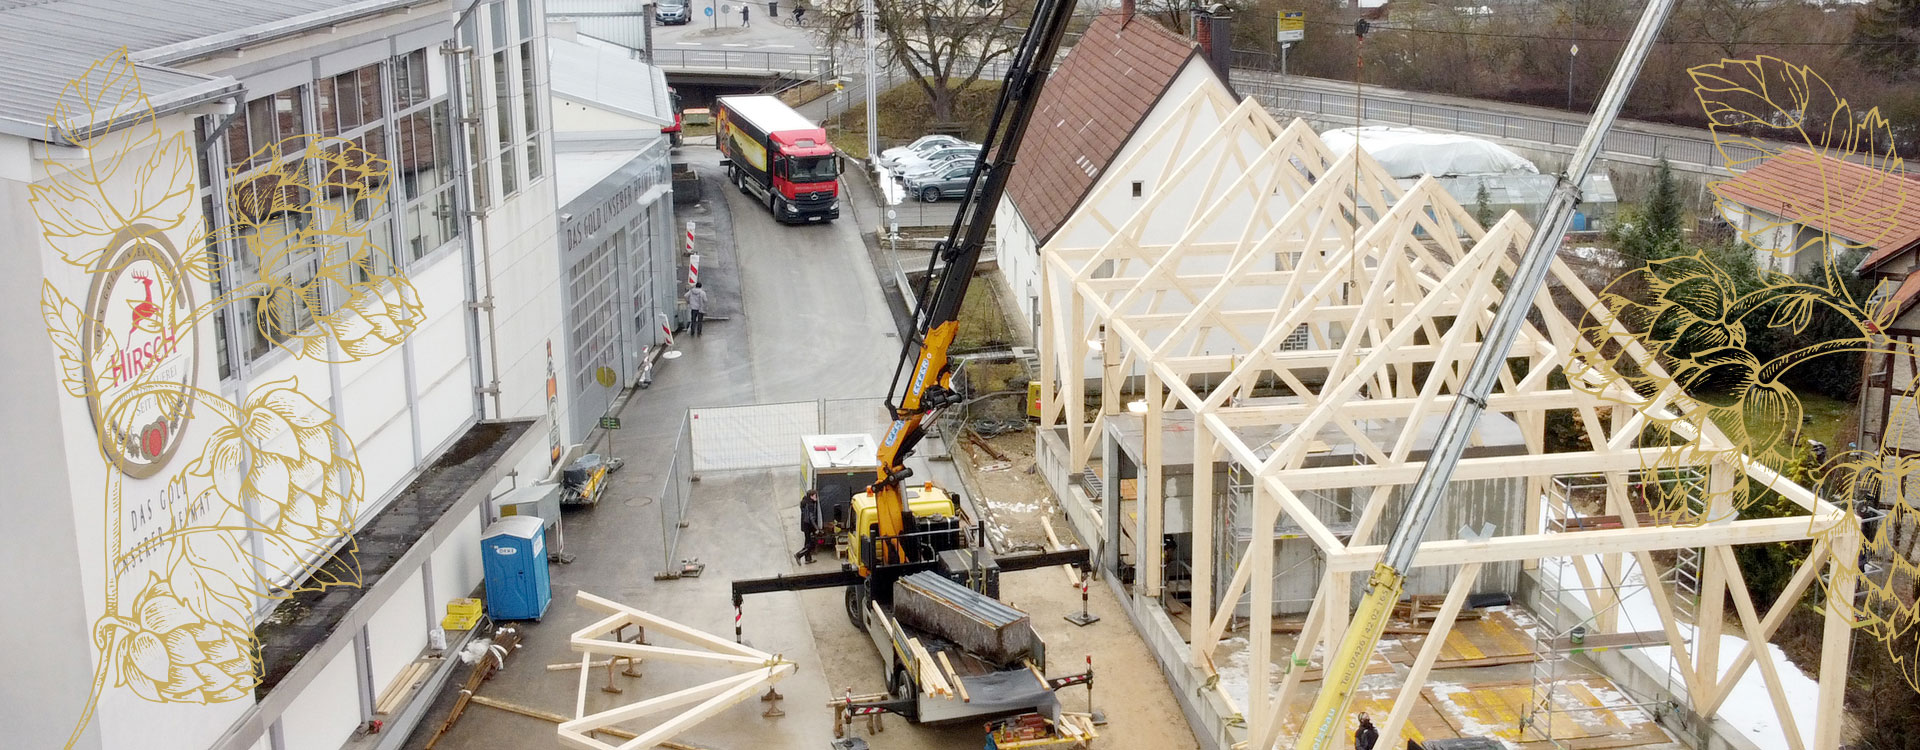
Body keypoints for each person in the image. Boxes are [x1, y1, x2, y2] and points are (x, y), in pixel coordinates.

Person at [794, 489, 820, 564]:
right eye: (815, 496)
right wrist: (817, 528)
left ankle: (808, 559)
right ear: (811, 496)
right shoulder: (810, 504)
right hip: (809, 526)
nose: (816, 497)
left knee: (807, 542)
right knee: (811, 544)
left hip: (804, 525)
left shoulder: (804, 501)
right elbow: (811, 518)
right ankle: (799, 555)